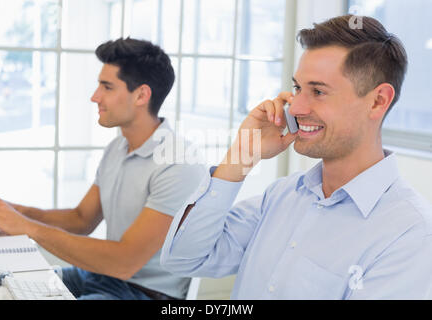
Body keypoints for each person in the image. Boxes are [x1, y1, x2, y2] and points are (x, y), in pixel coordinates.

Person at [160, 15, 432, 299]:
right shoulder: (283, 195)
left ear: (377, 101)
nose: (296, 107)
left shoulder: (410, 235)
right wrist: (242, 155)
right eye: (298, 88)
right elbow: (184, 258)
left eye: (318, 91)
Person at [0, 37, 206, 300]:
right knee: (4, 288)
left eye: (107, 87)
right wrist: (15, 212)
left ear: (141, 95)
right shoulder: (118, 147)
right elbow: (81, 219)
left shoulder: (178, 163)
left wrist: (28, 227)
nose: (95, 97)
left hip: (143, 292)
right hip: (100, 277)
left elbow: (125, 262)